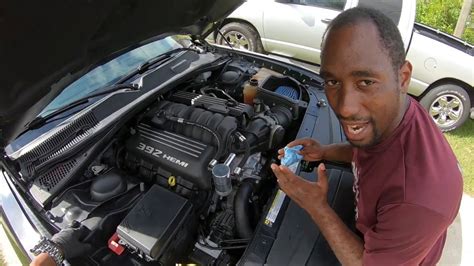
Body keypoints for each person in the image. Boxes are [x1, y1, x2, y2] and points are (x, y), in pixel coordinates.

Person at [271, 7, 463, 266]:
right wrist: (324, 151)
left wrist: (317, 206)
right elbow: (373, 152)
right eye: (333, 82)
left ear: (403, 77)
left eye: (366, 82)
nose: (345, 108)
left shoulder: (420, 199)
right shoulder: (395, 115)